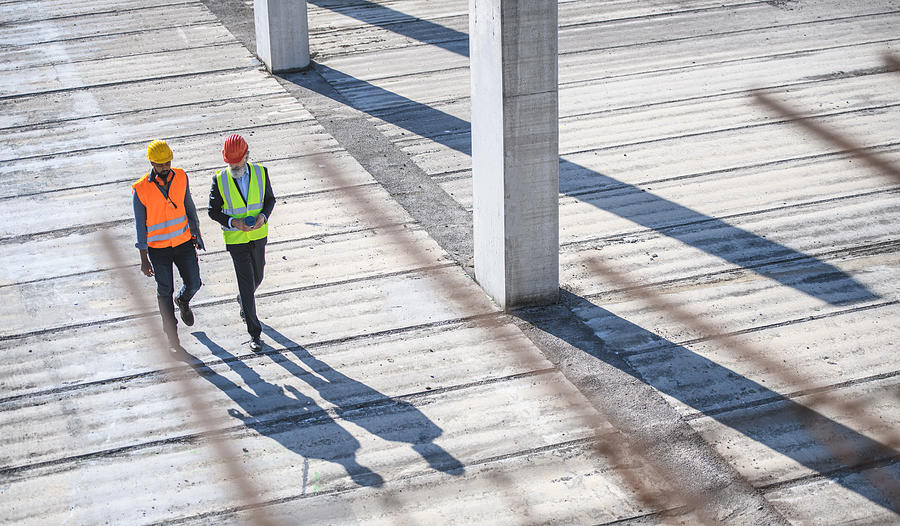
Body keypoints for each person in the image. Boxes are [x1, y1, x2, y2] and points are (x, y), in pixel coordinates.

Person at [132, 139, 204, 351]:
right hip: (158, 250)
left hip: (183, 244)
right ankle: (172, 338)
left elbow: (189, 207)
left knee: (194, 283)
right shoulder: (141, 189)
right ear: (152, 163)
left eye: (167, 163)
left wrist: (196, 234)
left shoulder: (181, 177)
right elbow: (139, 225)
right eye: (160, 164)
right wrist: (143, 258)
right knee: (164, 291)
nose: (164, 168)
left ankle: (182, 300)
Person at [208, 134, 275, 352]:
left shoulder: (261, 172)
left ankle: (243, 299)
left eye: (238, 162)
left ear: (247, 155)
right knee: (246, 285)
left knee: (259, 276)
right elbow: (213, 211)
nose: (234, 167)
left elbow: (269, 200)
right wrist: (232, 221)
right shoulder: (219, 179)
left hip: (258, 235)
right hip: (236, 240)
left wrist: (263, 217)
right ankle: (254, 334)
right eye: (231, 163)